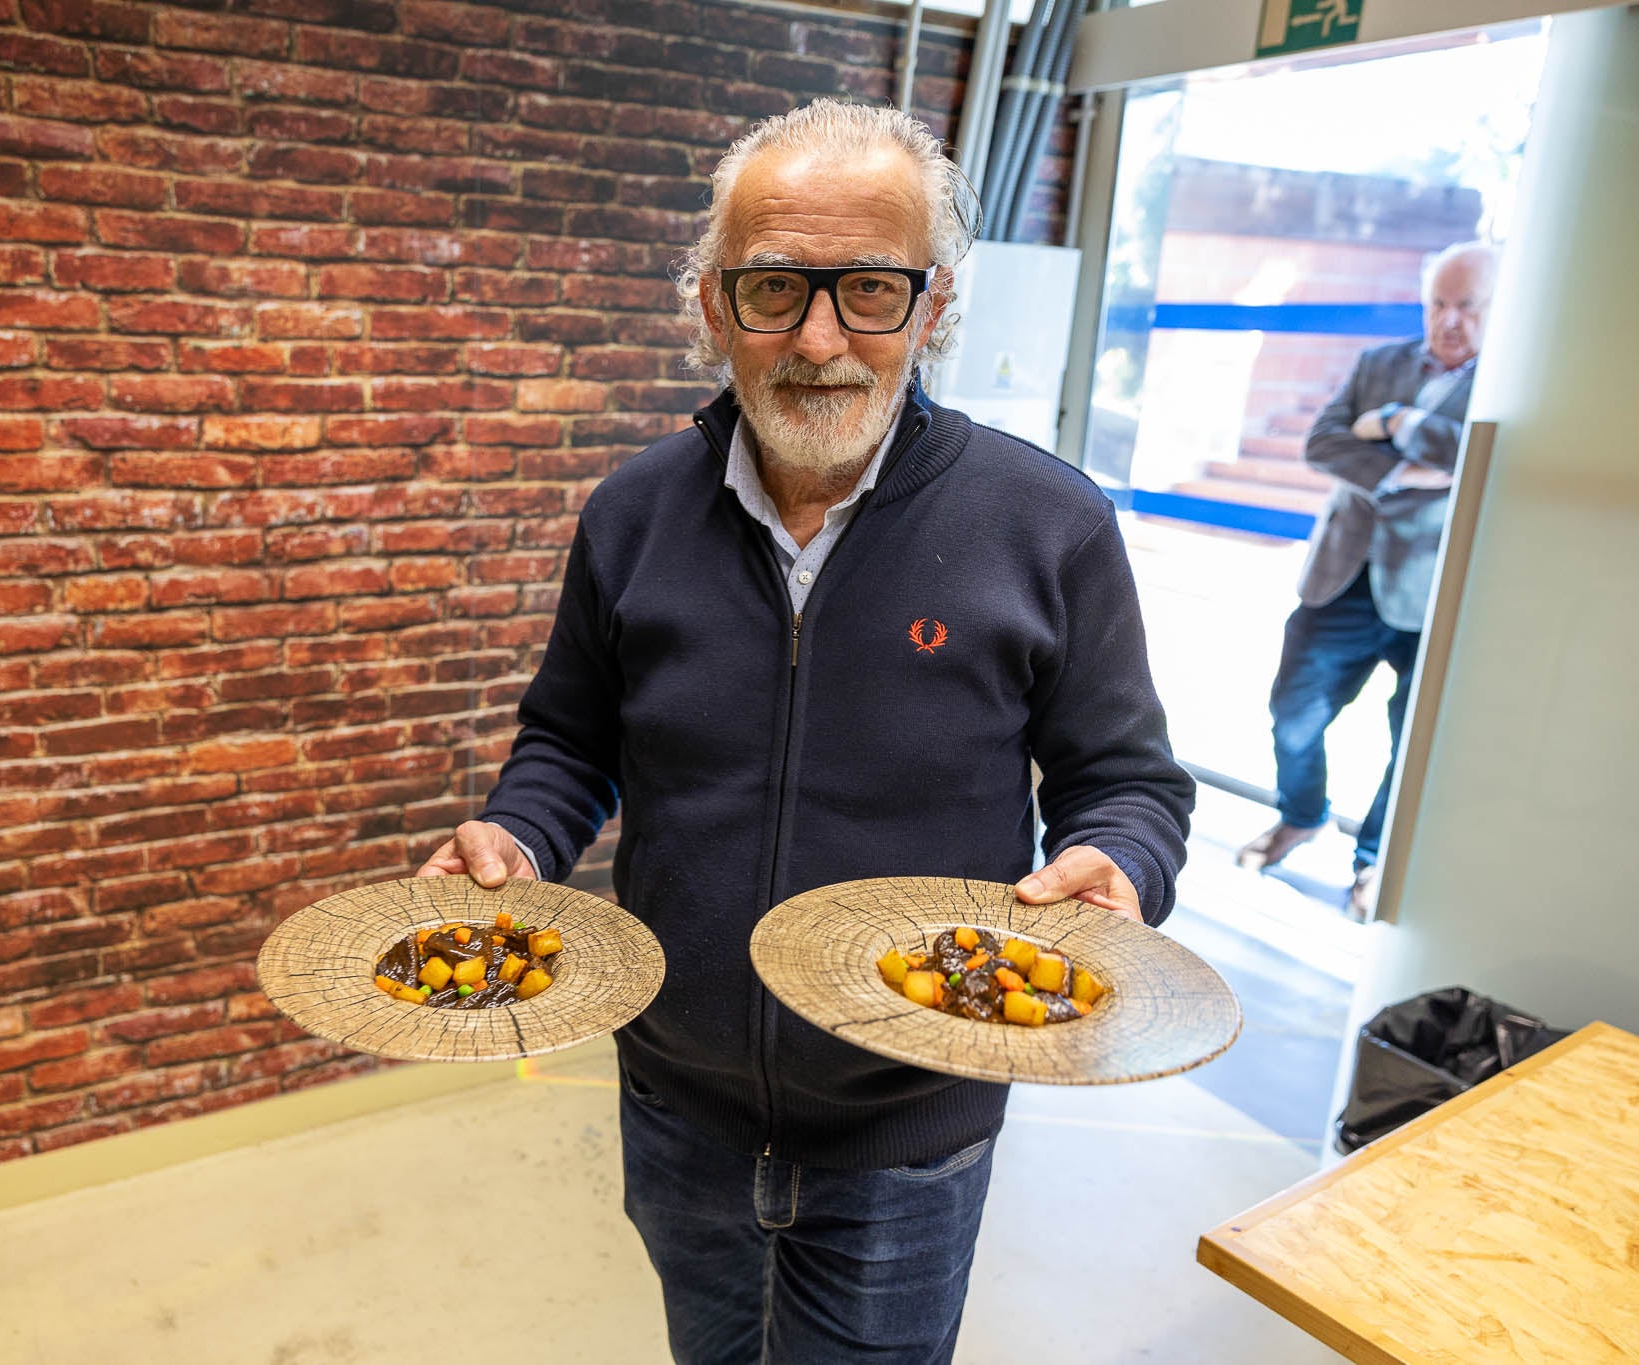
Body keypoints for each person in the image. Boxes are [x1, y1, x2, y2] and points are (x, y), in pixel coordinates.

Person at [418, 100, 1192, 1364]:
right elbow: (568, 739)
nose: (818, 338)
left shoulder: (1046, 525)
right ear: (711, 303)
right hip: (677, 1097)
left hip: (909, 1127)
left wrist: (1119, 857)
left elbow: (1126, 782)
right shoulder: (630, 513)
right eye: (773, 287)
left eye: (869, 291)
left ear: (931, 306)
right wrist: (516, 831)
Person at [1238, 243, 1498, 918]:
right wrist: (1403, 473)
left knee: (1409, 741)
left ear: (1496, 307)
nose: (1448, 320)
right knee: (1293, 713)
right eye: (1438, 303)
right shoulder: (1377, 362)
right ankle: (1303, 813)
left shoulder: (1503, 384)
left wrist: (1394, 424)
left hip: (1433, 591)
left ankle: (1373, 861)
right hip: (1341, 577)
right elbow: (1322, 444)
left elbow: (1481, 456)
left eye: (1466, 306)